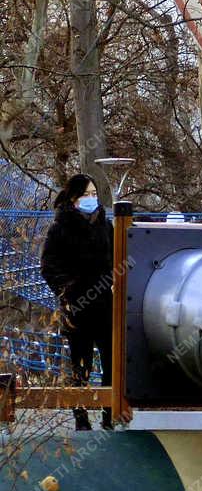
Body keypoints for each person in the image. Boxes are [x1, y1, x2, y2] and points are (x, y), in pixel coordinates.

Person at [41, 174, 114, 430]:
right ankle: (81, 419)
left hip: (106, 305)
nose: (92, 199)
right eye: (87, 194)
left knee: (112, 364)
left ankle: (109, 416)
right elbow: (48, 266)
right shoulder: (60, 228)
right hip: (77, 306)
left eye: (94, 193)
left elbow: (117, 259)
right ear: (74, 198)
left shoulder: (106, 226)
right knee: (80, 364)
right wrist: (67, 292)